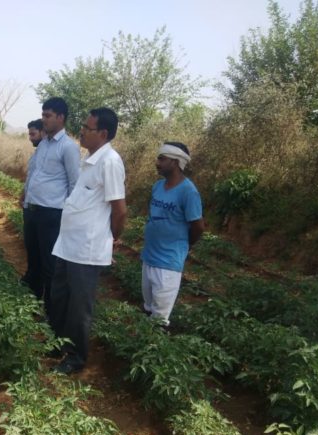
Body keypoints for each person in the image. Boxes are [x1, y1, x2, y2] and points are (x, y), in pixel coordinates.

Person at [49, 107, 127, 375]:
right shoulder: (90, 159)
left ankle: (76, 357)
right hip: (68, 245)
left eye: (87, 127)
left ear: (103, 133)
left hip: (86, 248)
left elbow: (120, 210)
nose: (81, 130)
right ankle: (58, 343)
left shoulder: (110, 162)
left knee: (79, 307)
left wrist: (112, 238)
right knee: (59, 297)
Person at [19, 98, 81, 318]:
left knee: (49, 265)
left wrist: (68, 215)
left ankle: (50, 312)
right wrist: (25, 195)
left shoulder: (69, 148)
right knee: (33, 259)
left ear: (60, 118)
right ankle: (32, 305)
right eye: (43, 115)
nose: (44, 119)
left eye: (48, 116)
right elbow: (34, 172)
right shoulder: (44, 144)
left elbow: (75, 184)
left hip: (52, 214)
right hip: (32, 210)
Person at [140, 142, 204, 325]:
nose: (157, 162)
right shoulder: (158, 186)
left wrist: (184, 245)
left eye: (162, 158)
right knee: (147, 307)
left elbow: (198, 227)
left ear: (175, 162)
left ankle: (154, 349)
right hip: (149, 257)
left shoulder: (188, 192)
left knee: (159, 319)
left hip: (168, 263)